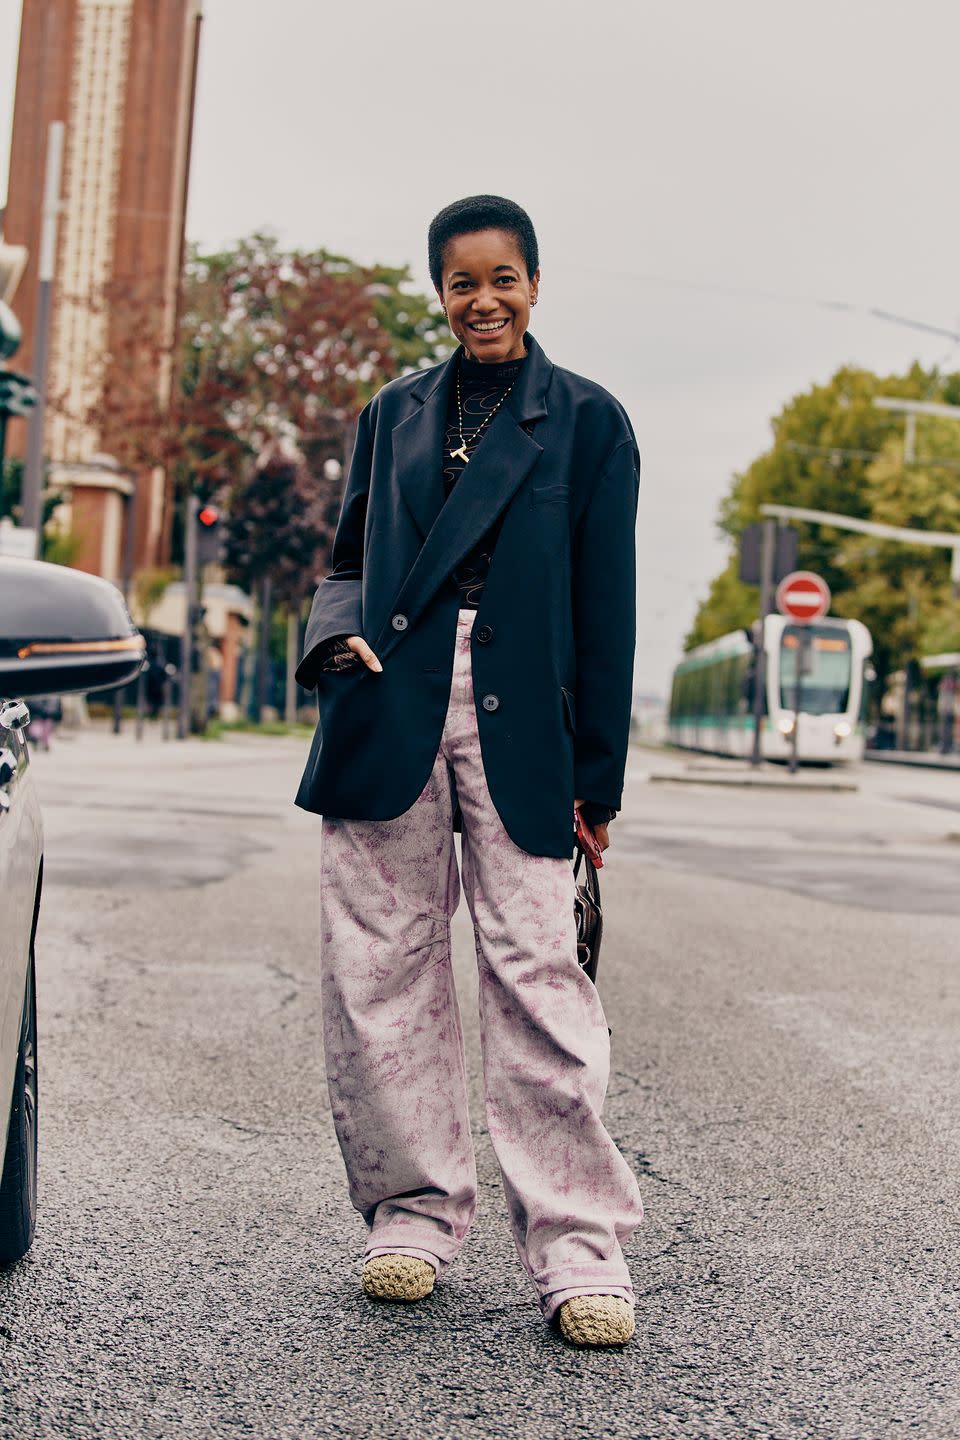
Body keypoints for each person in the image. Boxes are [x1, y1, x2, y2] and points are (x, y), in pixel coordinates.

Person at [295, 195, 643, 1347]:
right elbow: (346, 559)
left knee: (538, 971)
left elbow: (608, 613)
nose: (482, 300)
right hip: (387, 700)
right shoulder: (391, 414)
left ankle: (578, 1241)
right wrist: (328, 641)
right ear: (437, 293)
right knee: (376, 970)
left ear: (535, 284)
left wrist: (600, 785)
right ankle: (410, 1212)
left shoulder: (589, 423)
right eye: (460, 283)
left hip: (523, 719)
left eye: (503, 278)